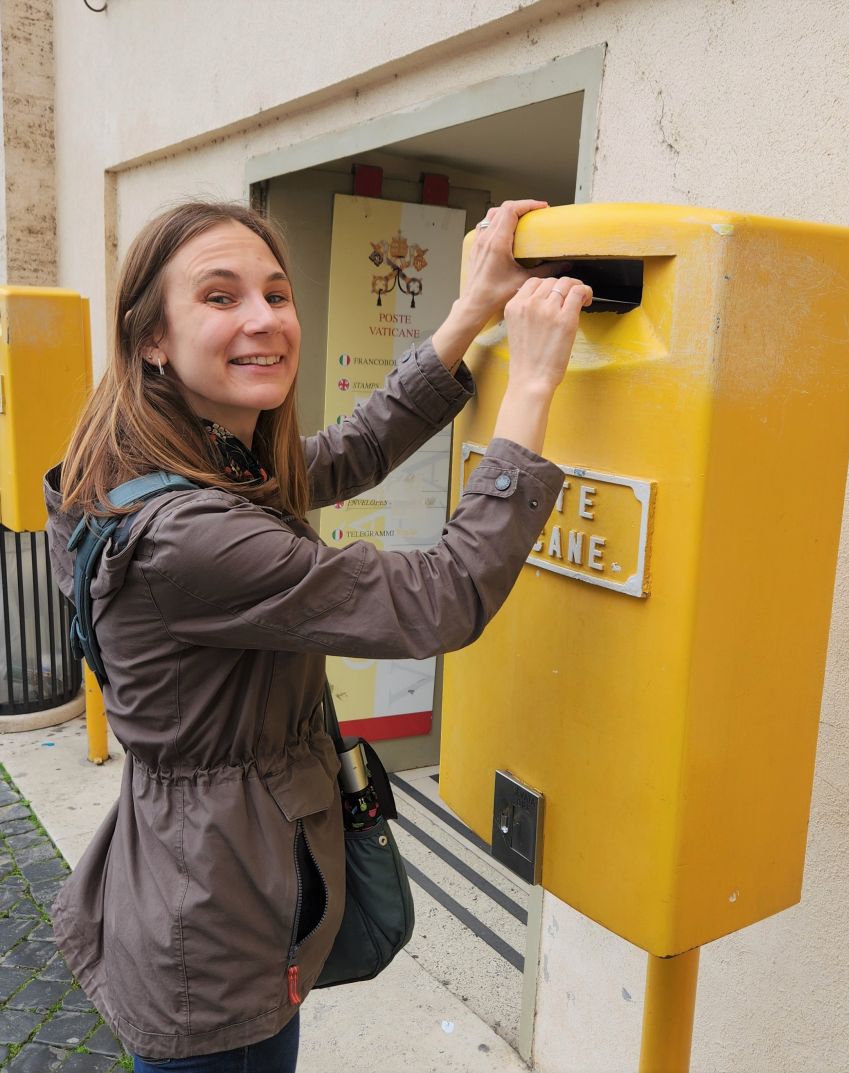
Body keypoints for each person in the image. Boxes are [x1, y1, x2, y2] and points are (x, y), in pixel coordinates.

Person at [44, 197, 592, 1071]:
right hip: (215, 933)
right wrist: (529, 386)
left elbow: (339, 454)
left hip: (200, 876)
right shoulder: (189, 536)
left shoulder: (160, 457)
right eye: (220, 297)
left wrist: (470, 311)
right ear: (150, 337)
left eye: (275, 292)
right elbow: (438, 598)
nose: (263, 319)